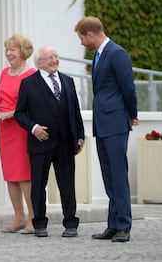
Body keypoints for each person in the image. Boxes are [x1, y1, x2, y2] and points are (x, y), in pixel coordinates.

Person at [75, 16, 138, 243]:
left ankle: (124, 225)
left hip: (116, 123)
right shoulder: (99, 55)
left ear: (89, 34)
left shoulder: (117, 53)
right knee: (109, 175)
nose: (82, 42)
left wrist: (132, 114)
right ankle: (113, 224)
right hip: (102, 124)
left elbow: (128, 87)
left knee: (118, 176)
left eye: (81, 38)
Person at [14, 46, 85, 238]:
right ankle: (39, 224)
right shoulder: (28, 84)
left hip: (65, 143)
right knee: (38, 186)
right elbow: (19, 113)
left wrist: (80, 135)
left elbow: (76, 112)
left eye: (56, 56)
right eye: (49, 58)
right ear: (39, 63)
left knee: (67, 185)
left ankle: (71, 223)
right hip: (40, 143)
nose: (55, 60)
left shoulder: (68, 81)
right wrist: (33, 128)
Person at [0, 33, 36, 234]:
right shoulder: (3, 72)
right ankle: (18, 217)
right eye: (7, 49)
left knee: (25, 175)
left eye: (13, 50)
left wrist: (11, 113)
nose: (8, 53)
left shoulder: (31, 74)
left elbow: (32, 105)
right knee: (10, 175)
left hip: (20, 128)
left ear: (23, 52)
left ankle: (33, 219)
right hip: (5, 129)